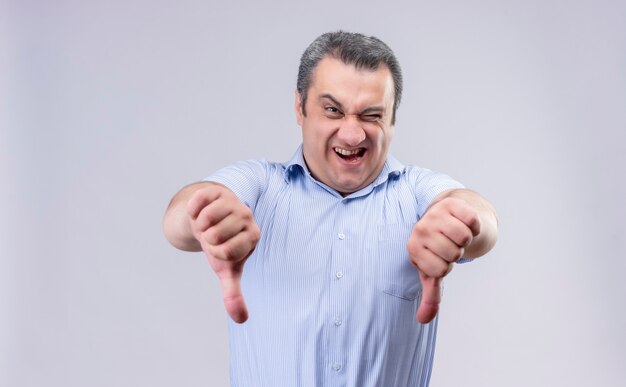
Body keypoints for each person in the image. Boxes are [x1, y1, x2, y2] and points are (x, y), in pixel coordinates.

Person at [163, 31, 498, 387]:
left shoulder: (417, 195)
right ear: (300, 107)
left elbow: (479, 216)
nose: (352, 135)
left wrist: (461, 222)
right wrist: (205, 215)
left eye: (371, 115)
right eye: (333, 110)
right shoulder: (258, 187)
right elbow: (179, 218)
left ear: (392, 121)